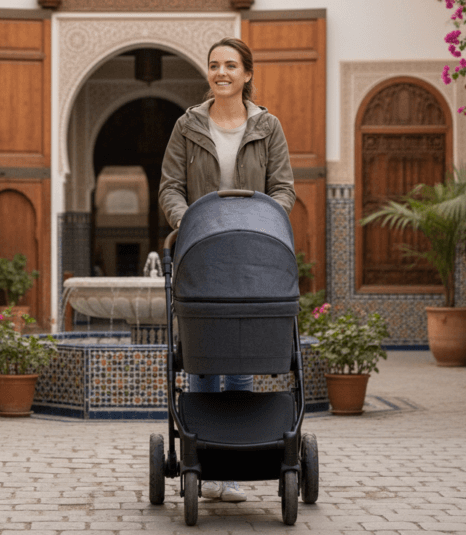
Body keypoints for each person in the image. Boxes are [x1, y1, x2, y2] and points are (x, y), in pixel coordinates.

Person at [158, 37, 296, 503]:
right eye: (214, 65)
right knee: (200, 358)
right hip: (202, 255)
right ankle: (203, 461)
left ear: (247, 74)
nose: (221, 72)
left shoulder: (268, 126)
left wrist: (260, 223)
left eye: (230, 65)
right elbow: (169, 189)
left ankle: (232, 470)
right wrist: (189, 221)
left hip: (255, 257)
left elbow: (284, 190)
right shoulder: (187, 126)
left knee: (242, 356)